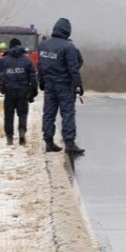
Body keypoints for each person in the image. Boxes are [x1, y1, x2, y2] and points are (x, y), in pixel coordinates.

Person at [38, 18, 85, 154]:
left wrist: (41, 81)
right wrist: (78, 85)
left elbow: (40, 65)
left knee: (48, 114)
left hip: (49, 85)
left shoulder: (43, 46)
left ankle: (48, 142)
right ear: (67, 32)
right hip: (64, 85)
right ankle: (69, 144)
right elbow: (73, 68)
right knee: (67, 114)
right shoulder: (68, 47)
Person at [0, 37, 38, 145]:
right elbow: (33, 76)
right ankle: (22, 131)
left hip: (9, 91)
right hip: (23, 91)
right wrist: (33, 90)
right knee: (23, 113)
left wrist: (1, 87)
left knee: (9, 114)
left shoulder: (4, 60)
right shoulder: (27, 60)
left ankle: (9, 137)